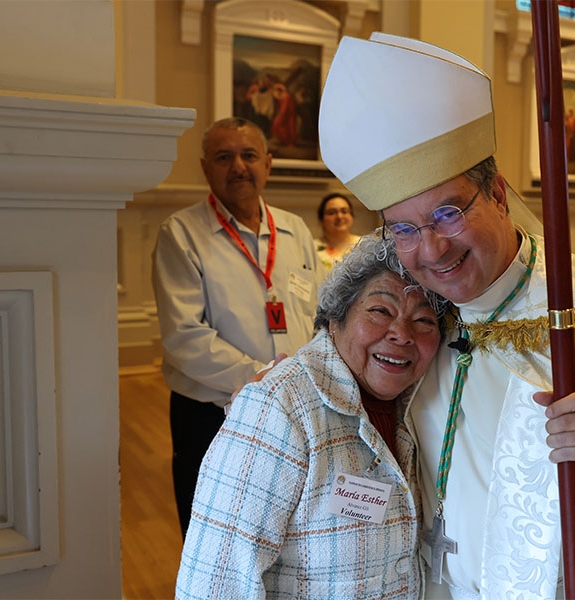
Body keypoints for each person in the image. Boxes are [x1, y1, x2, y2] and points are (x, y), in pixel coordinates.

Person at [318, 33, 575, 599]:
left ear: (499, 196)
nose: (432, 249)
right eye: (405, 228)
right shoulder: (423, 314)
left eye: (448, 211)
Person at [176, 234, 446, 598]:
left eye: (425, 320)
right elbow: (214, 581)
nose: (401, 333)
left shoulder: (420, 406)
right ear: (336, 318)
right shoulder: (279, 408)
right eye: (380, 311)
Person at [152, 117, 324, 536]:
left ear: (267, 163)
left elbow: (322, 310)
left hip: (295, 402)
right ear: (205, 167)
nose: (238, 167)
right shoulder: (181, 234)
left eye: (248, 156)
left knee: (287, 522)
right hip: (214, 414)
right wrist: (260, 378)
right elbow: (184, 336)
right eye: (223, 157)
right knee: (214, 531)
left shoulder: (295, 229)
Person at [315, 192, 362, 273]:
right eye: (332, 212)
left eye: (344, 211)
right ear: (321, 219)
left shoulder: (365, 245)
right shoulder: (312, 248)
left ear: (351, 216)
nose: (339, 217)